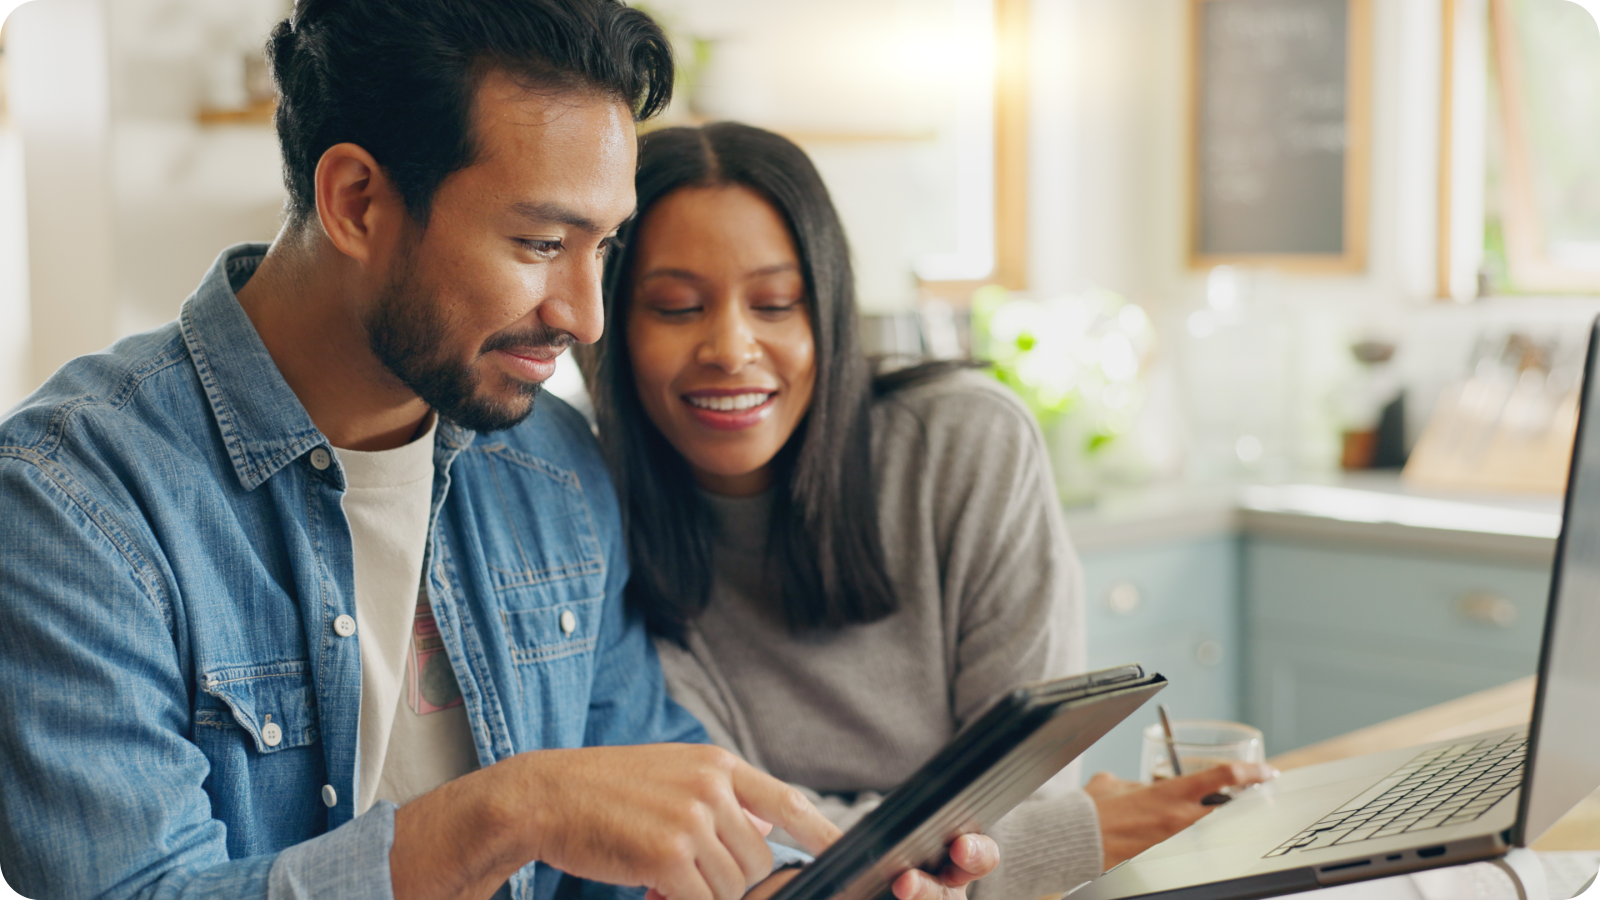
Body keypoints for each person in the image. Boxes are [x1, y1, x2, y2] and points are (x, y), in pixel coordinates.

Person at [0, 4, 998, 900]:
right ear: (354, 201)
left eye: (602, 247)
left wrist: (814, 880)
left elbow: (644, 828)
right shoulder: (72, 503)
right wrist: (505, 813)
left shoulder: (552, 469)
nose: (586, 315)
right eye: (538, 245)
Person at [581, 122, 1276, 900]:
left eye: (776, 303)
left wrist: (867, 860)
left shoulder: (966, 444)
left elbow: (1026, 779)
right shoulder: (586, 505)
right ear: (611, 322)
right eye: (676, 307)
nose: (732, 347)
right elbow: (729, 848)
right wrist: (1075, 835)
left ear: (831, 316)